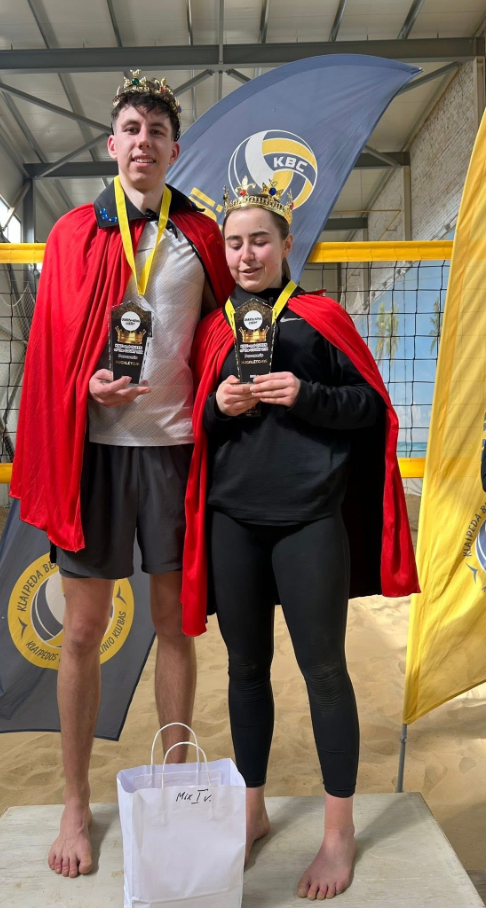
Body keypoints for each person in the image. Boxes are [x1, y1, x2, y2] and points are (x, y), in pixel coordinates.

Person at [10, 72, 233, 879]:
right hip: (95, 455)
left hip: (174, 452)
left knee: (176, 625)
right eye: (131, 129)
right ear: (113, 145)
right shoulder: (73, 233)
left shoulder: (201, 234)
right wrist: (84, 387)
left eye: (157, 131)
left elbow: (224, 335)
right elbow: (49, 350)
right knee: (80, 630)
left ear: (174, 148)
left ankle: (174, 786)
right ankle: (75, 800)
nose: (143, 142)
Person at [181, 180, 419, 899]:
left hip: (311, 518)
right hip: (234, 520)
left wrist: (306, 395)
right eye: (234, 243)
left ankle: (338, 832)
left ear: (287, 245)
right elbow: (196, 428)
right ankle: (252, 810)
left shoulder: (321, 317)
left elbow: (370, 407)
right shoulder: (213, 329)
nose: (246, 254)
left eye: (260, 240)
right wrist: (218, 407)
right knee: (245, 672)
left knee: (324, 671)